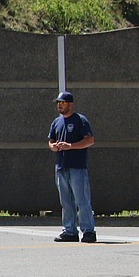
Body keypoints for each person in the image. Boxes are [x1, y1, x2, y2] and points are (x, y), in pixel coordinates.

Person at [48, 91, 96, 243]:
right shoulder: (56, 122)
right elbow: (51, 141)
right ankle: (69, 231)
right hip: (61, 167)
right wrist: (54, 146)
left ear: (70, 104)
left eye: (62, 103)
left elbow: (90, 140)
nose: (59, 105)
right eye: (58, 103)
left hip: (77, 168)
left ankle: (88, 231)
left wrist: (71, 146)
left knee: (82, 201)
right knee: (66, 202)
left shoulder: (80, 120)